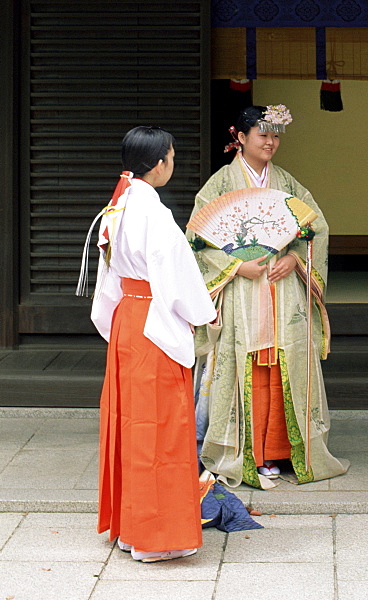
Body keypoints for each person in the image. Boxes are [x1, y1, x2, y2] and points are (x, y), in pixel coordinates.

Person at [189, 104, 347, 489]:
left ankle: (281, 450)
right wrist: (234, 266)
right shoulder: (220, 185)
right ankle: (246, 453)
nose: (271, 142)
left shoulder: (288, 184)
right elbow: (197, 239)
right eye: (263, 135)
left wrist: (294, 258)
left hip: (282, 287)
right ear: (240, 139)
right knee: (246, 363)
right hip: (240, 290)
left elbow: (315, 227)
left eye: (276, 135)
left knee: (284, 362)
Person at [88, 126, 217, 563]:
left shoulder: (118, 204)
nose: (173, 163)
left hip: (129, 315)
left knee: (132, 422)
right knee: (161, 425)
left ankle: (130, 528)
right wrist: (203, 312)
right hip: (153, 321)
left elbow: (109, 276)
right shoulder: (154, 213)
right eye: (172, 157)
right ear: (159, 162)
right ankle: (157, 536)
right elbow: (175, 275)